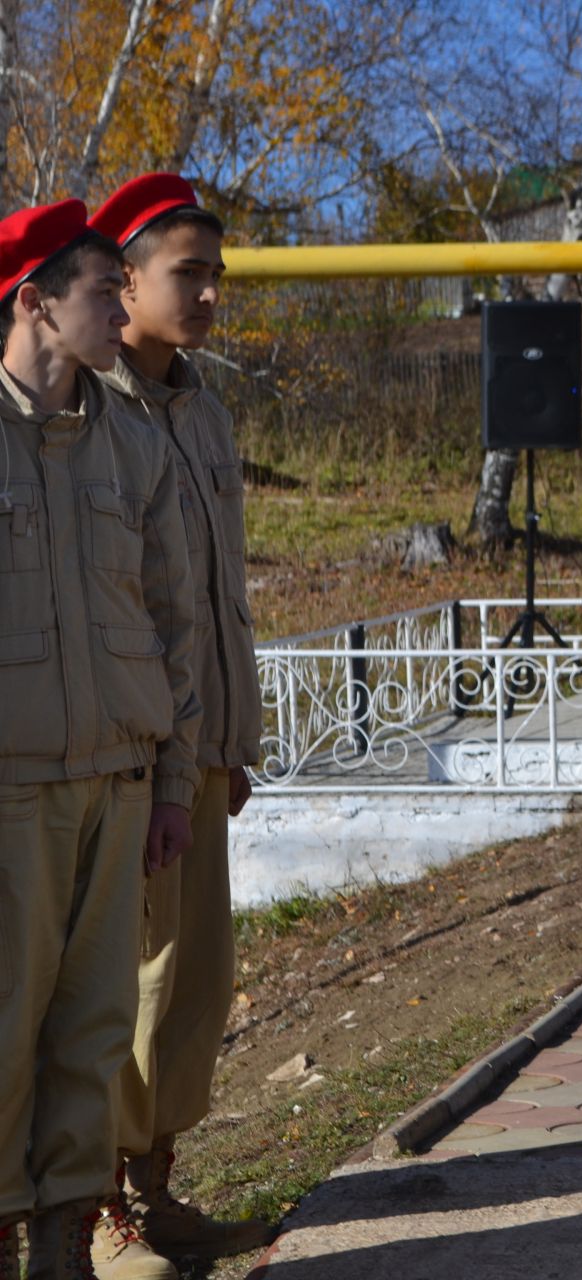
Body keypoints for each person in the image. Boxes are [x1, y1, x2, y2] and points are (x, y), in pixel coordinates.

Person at [0, 200, 202, 1280]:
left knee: (93, 1029)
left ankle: (64, 1245)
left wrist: (173, 782)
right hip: (12, 793)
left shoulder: (134, 442)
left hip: (119, 788)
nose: (123, 310)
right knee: (1, 1034)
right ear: (34, 302)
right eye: (101, 292)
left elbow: (175, 624)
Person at [86, 174, 271, 1278]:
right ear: (126, 280)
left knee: (196, 978)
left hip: (203, 747)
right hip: (120, 749)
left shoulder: (204, 407)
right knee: (127, 975)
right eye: (185, 272)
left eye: (216, 274)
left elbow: (220, 591)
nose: (206, 294)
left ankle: (156, 1186)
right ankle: (97, 1205)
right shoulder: (86, 407)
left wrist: (233, 738)